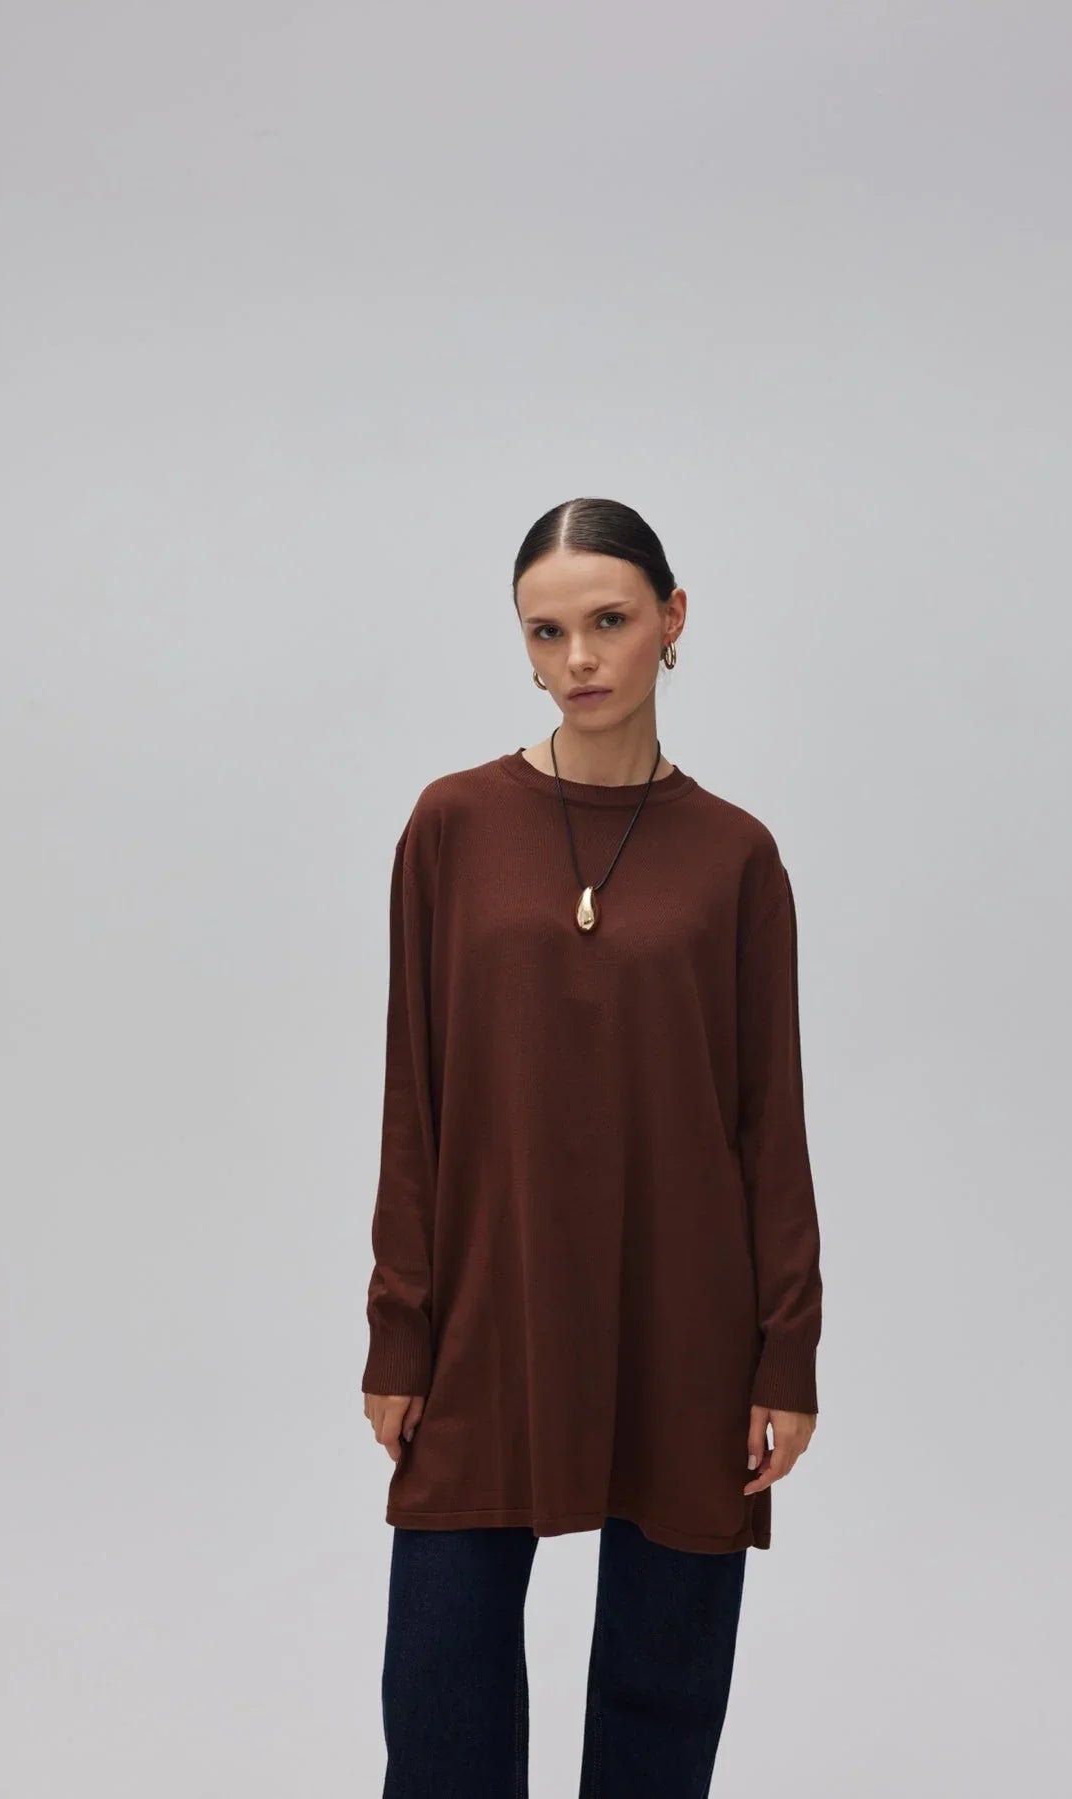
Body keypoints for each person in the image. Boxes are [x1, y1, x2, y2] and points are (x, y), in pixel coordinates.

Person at [361, 496, 824, 1797]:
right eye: (545, 631)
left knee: (663, 1683)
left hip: (685, 1310)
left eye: (609, 621)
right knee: (441, 1675)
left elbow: (768, 1118)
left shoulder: (736, 858)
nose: (579, 659)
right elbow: (415, 1095)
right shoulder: (452, 826)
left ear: (671, 620)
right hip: (490, 1301)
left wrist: (785, 1350)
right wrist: (400, 1328)